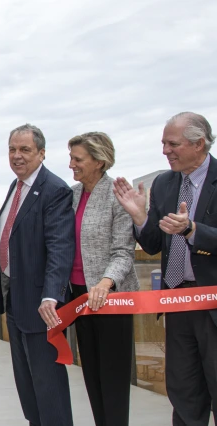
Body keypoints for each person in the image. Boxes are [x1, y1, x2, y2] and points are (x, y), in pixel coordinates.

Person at [113, 112, 217, 426]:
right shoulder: (164, 183)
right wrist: (140, 218)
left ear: (199, 144)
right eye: (163, 143)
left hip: (213, 305)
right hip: (177, 304)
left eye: (173, 144)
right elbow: (155, 244)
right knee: (184, 391)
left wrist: (192, 230)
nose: (165, 151)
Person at [0, 124, 75, 426]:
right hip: (15, 301)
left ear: (41, 153)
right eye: (12, 149)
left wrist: (51, 295)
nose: (16, 156)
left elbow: (60, 248)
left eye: (24, 150)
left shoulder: (54, 190)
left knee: (48, 387)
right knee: (28, 387)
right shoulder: (16, 186)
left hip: (43, 307)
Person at [67, 132, 139, 426]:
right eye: (71, 157)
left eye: (77, 158)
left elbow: (124, 252)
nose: (71, 163)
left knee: (113, 383)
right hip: (79, 299)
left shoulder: (117, 195)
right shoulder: (71, 194)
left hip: (111, 299)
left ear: (99, 161)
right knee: (92, 379)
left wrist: (105, 283)